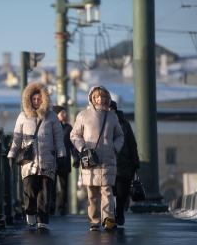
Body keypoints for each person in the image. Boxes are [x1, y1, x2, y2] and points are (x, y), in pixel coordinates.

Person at [7, 82, 66, 231]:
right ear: (29, 99)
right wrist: (12, 154)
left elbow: (58, 136)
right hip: (29, 161)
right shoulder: (22, 116)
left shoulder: (51, 116)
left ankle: (43, 220)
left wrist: (61, 153)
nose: (37, 101)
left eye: (40, 99)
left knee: (45, 191)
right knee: (30, 188)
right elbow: (17, 137)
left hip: (48, 160)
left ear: (44, 99)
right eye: (34, 99)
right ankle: (31, 211)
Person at [70, 86, 124, 231]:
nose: (100, 99)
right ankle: (94, 220)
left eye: (103, 97)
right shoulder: (83, 115)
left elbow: (120, 135)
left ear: (107, 99)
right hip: (90, 159)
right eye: (97, 97)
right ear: (92, 99)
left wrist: (114, 147)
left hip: (107, 159)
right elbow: (74, 135)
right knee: (92, 192)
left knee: (107, 190)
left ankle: (108, 219)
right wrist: (83, 148)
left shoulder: (112, 116)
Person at [109, 100, 140, 226]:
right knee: (109, 192)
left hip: (124, 164)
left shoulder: (124, 124)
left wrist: (135, 162)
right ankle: (110, 216)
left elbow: (132, 144)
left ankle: (119, 212)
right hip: (108, 163)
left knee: (121, 193)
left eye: (111, 109)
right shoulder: (101, 123)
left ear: (115, 110)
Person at [51, 105, 78, 216]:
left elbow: (72, 145)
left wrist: (76, 157)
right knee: (51, 186)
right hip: (52, 161)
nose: (64, 115)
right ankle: (51, 206)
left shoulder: (68, 128)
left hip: (64, 161)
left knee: (64, 186)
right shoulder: (50, 126)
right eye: (62, 113)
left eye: (65, 113)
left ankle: (62, 208)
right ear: (56, 114)